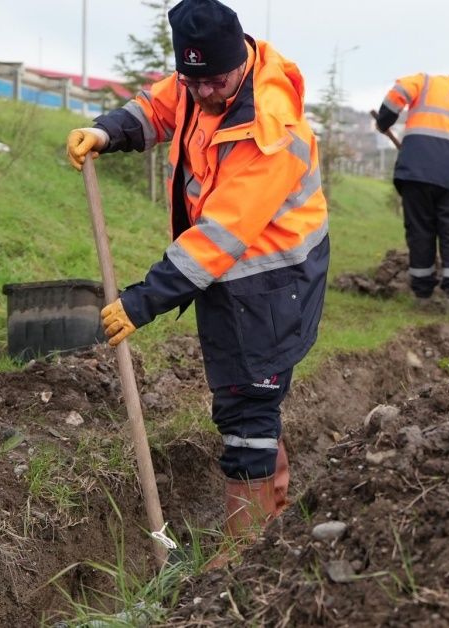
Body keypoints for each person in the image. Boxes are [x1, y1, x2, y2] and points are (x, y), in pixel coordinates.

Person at [64, 0, 328, 547]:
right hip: (231, 273)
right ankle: (270, 524)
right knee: (249, 397)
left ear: (241, 61)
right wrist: (107, 130)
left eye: (215, 82)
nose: (203, 93)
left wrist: (142, 302)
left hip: (274, 278)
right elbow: (160, 107)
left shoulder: (268, 126)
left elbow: (218, 239)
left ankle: (242, 555)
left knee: (247, 402)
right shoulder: (198, 81)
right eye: (193, 80)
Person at [374, 71, 449, 307]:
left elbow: (399, 91)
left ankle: (422, 292)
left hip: (416, 171)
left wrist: (385, 120)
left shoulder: (426, 81)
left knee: (420, 228)